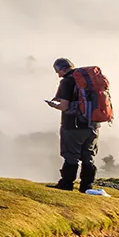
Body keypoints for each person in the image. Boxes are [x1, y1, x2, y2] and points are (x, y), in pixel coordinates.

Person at [45, 57, 97, 191]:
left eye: (57, 71)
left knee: (71, 155)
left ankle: (67, 184)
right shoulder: (89, 81)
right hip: (93, 124)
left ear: (61, 69)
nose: (58, 74)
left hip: (73, 125)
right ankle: (87, 186)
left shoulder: (67, 82)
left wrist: (53, 105)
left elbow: (64, 106)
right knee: (88, 155)